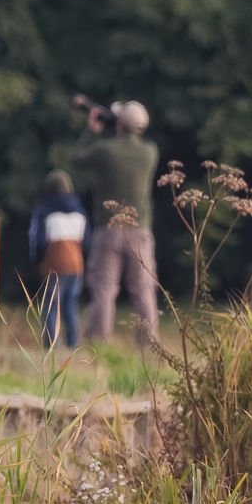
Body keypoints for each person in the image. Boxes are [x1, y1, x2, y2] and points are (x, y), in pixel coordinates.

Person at [73, 99, 159, 344]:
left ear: (119, 123)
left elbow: (77, 158)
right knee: (143, 290)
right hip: (140, 231)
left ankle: (99, 343)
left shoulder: (105, 150)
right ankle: (149, 346)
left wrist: (92, 130)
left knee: (104, 288)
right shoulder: (150, 152)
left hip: (108, 230)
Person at [28, 168, 89, 348]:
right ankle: (72, 344)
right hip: (75, 266)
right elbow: (87, 242)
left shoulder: (44, 212)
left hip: (53, 264)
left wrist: (37, 260)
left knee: (51, 305)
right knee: (71, 305)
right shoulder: (80, 212)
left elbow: (37, 241)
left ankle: (51, 345)